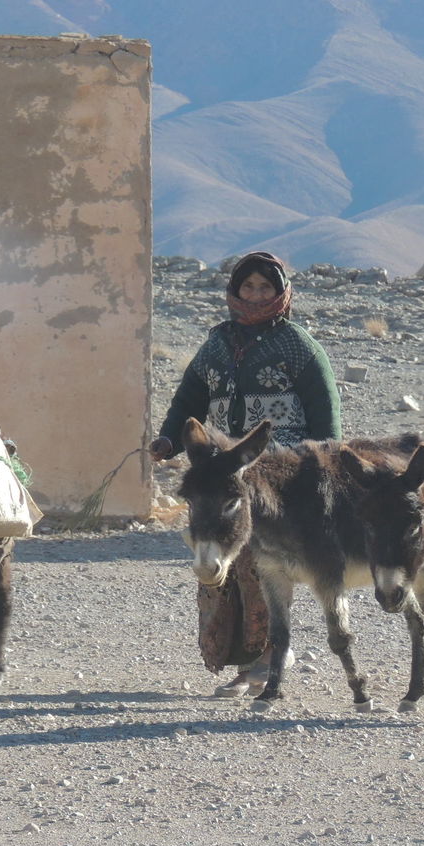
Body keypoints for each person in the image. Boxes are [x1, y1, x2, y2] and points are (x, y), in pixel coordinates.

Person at [149, 251, 341, 697]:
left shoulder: (300, 346)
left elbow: (326, 419)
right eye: (248, 287)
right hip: (221, 477)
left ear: (281, 294)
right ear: (235, 291)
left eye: (265, 288)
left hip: (278, 476)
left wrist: (321, 468)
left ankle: (273, 654)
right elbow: (189, 402)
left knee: (265, 563)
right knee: (220, 564)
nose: (255, 295)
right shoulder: (216, 343)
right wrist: (167, 441)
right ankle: (245, 660)